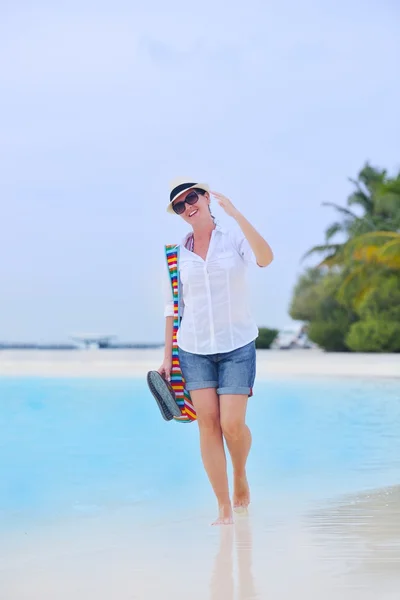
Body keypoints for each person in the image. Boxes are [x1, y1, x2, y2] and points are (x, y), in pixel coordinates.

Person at [158, 178, 274, 525]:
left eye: (191, 197)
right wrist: (168, 357)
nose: (187, 206)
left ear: (206, 198)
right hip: (193, 348)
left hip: (237, 345)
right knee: (207, 425)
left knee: (232, 424)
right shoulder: (175, 254)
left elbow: (265, 258)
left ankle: (240, 473)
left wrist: (236, 214)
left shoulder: (234, 238)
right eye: (180, 205)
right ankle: (223, 507)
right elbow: (171, 307)